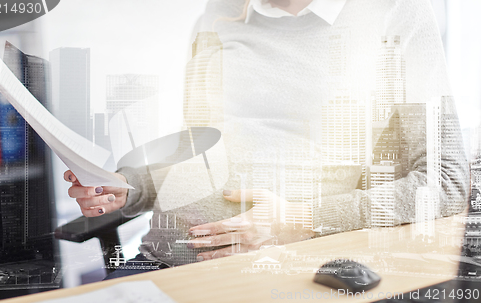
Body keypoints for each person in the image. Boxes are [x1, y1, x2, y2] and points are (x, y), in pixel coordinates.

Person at [65, 0, 469, 277]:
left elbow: (446, 181)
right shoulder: (219, 11)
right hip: (154, 261)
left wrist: (299, 220)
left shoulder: (395, 12)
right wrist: (128, 188)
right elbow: (197, 150)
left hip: (275, 273)